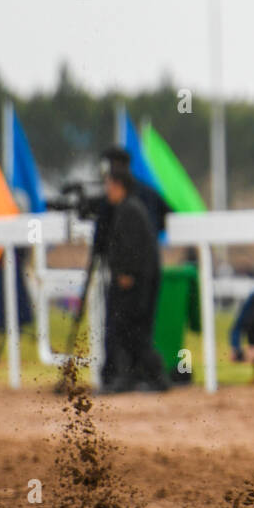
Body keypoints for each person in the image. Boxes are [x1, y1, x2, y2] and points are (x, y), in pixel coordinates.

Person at [99, 150, 169, 393]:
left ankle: (150, 378)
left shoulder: (128, 210)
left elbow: (131, 247)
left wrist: (126, 273)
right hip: (141, 280)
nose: (106, 190)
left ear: (119, 185)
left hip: (135, 282)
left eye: (109, 185)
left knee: (132, 331)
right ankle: (138, 377)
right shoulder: (132, 207)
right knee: (132, 332)